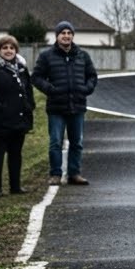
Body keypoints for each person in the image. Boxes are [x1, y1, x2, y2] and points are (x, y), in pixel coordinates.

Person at [32, 21, 97, 186]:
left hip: (77, 106)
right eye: (63, 33)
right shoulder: (46, 56)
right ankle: (55, 174)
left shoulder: (82, 55)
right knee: (56, 142)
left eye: (69, 33)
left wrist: (86, 89)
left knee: (77, 142)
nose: (66, 36)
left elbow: (92, 76)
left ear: (72, 36)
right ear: (57, 36)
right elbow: (36, 77)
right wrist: (50, 89)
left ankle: (74, 174)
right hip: (56, 108)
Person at [0, 34, 36, 196]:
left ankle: (15, 186)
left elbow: (28, 89)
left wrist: (29, 105)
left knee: (15, 154)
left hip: (19, 120)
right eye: (4, 48)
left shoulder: (21, 68)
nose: (8, 50)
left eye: (11, 48)